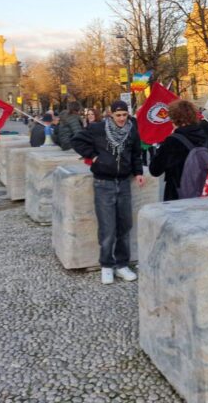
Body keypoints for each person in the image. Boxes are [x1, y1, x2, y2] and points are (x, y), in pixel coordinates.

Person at [70, 100, 144, 284]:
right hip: (104, 182)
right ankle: (106, 265)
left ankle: (122, 264)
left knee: (124, 226)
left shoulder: (132, 129)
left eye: (124, 115)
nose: (121, 118)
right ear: (111, 114)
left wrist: (139, 172)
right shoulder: (98, 128)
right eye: (118, 115)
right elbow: (77, 141)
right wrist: (94, 157)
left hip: (124, 182)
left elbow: (135, 153)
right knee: (108, 227)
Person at [149, 100, 208, 201]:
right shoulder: (204, 135)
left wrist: (159, 149)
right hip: (201, 190)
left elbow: (155, 170)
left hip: (178, 193)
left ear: (175, 119)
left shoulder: (172, 141)